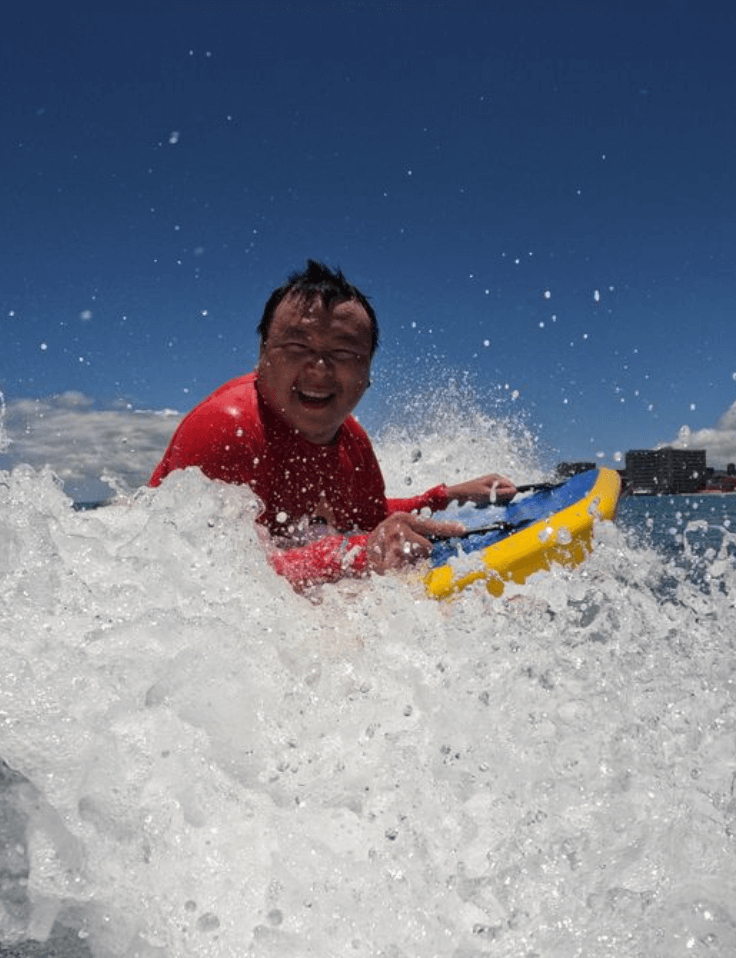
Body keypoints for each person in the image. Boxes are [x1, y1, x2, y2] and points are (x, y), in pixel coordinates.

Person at [150, 261, 517, 589]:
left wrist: (444, 497)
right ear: (263, 355)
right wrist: (357, 554)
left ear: (368, 371)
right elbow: (211, 575)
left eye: (343, 353)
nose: (319, 369)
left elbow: (367, 519)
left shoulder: (351, 441)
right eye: (296, 347)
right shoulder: (227, 428)